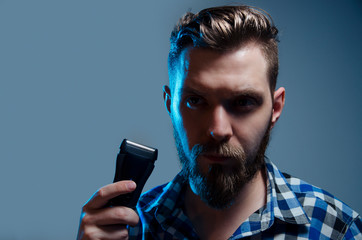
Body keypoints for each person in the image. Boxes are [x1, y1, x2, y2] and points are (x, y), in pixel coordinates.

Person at [77, 5, 362, 240]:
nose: (218, 129)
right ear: (170, 105)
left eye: (243, 102)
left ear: (275, 108)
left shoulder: (339, 229)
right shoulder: (127, 229)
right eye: (196, 101)